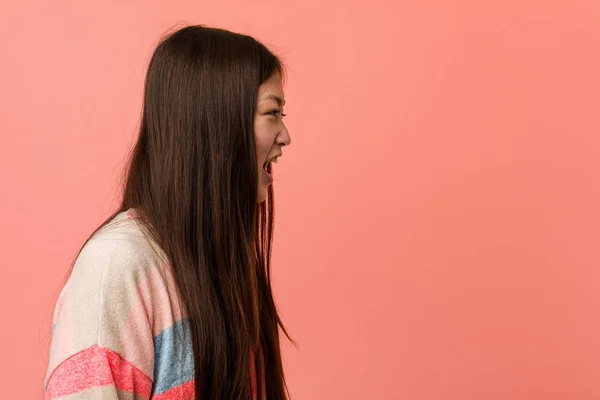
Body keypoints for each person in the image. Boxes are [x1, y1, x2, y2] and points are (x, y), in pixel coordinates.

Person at [44, 25, 293, 400]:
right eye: (272, 112)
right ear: (215, 123)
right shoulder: (117, 265)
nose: (285, 135)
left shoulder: (219, 267)